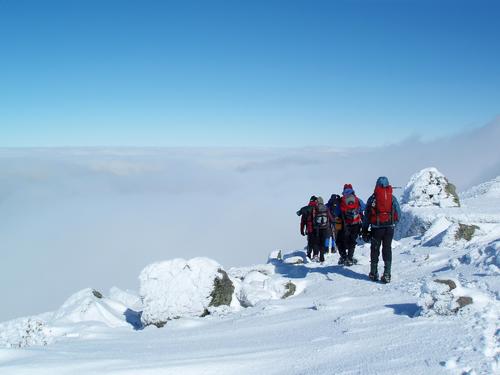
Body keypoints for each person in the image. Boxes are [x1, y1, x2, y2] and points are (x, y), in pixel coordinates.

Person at [362, 176, 401, 283]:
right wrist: (393, 224)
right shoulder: (392, 198)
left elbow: (366, 216)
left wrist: (365, 229)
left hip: (376, 228)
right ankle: (387, 274)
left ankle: (373, 273)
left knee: (375, 249)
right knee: (387, 249)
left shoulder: (372, 198)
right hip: (389, 228)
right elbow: (399, 213)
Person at [336, 184, 365, 266]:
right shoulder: (357, 200)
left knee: (339, 240)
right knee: (352, 241)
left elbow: (337, 212)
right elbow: (364, 208)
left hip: (344, 224)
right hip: (356, 224)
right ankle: (349, 258)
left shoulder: (341, 200)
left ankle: (344, 257)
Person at [312, 196, 333, 262]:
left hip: (317, 228)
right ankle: (322, 257)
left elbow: (313, 217)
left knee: (316, 242)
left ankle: (316, 255)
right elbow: (330, 216)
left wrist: (314, 225)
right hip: (325, 228)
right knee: (322, 242)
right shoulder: (326, 208)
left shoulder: (315, 208)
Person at [298, 196, 318, 260]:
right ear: (315, 201)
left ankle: (309, 255)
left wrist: (302, 230)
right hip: (318, 229)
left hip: (309, 229)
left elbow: (302, 222)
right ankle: (315, 255)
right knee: (316, 242)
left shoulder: (305, 209)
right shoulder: (318, 208)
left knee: (310, 242)